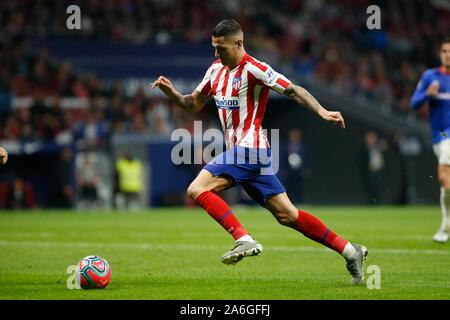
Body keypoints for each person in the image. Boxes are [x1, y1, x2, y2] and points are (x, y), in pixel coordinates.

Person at [151, 19, 368, 284]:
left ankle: (243, 238)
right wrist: (171, 92)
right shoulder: (215, 70)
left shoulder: (254, 69)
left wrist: (322, 111)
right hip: (246, 154)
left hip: (251, 148)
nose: (217, 54)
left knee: (197, 189)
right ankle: (350, 251)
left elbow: (293, 90)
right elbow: (192, 104)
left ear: (239, 43)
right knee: (288, 215)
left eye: (221, 49)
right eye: (214, 48)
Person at [410, 37, 450, 243]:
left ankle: (445, 227)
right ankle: (446, 224)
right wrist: (427, 93)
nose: (448, 54)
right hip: (440, 135)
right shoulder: (430, 76)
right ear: (440, 54)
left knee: (444, 178)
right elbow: (414, 103)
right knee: (446, 184)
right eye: (444, 51)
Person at [360, 131, 387, 204]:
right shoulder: (364, 149)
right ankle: (370, 202)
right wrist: (367, 166)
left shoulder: (378, 147)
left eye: (373, 137)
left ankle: (377, 202)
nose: (371, 139)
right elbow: (361, 160)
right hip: (369, 172)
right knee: (370, 187)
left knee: (379, 187)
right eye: (370, 138)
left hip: (379, 170)